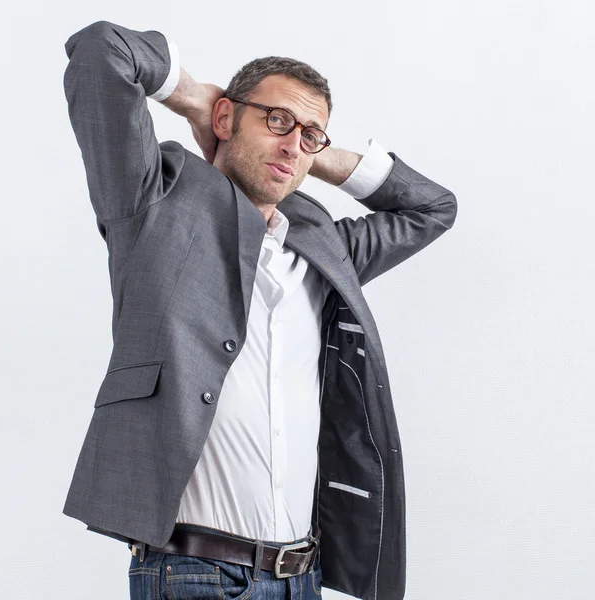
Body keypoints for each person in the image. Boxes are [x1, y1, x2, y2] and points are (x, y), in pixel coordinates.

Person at [61, 19, 457, 600]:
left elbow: (433, 209)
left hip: (304, 577)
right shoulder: (153, 206)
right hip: (194, 572)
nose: (293, 142)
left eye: (310, 134)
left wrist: (307, 158)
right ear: (226, 119)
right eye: (277, 120)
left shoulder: (326, 247)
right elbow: (101, 49)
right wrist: (193, 97)